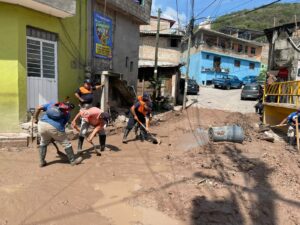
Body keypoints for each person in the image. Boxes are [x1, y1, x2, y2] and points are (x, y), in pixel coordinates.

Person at [34, 101, 83, 167]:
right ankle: (73, 161)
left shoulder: (52, 104)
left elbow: (38, 108)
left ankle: (42, 162)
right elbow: (62, 126)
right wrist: (55, 135)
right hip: (55, 127)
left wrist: (35, 118)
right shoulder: (67, 114)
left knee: (43, 142)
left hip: (41, 125)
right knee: (66, 144)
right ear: (69, 109)